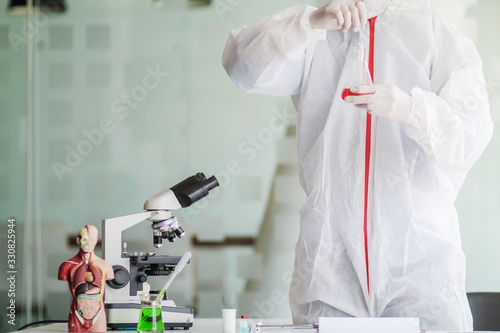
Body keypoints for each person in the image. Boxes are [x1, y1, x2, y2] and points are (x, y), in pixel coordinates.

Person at [222, 0, 493, 331]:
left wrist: (412, 108)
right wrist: (311, 21)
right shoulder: (320, 29)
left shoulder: (433, 31)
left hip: (420, 271)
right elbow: (241, 67)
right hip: (330, 274)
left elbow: (467, 138)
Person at [59, 225, 114, 332]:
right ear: (78, 240)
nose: (88, 243)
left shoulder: (104, 265)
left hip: (99, 314)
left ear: (96, 241)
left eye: (92, 239)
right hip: (77, 313)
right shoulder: (67, 265)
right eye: (85, 239)